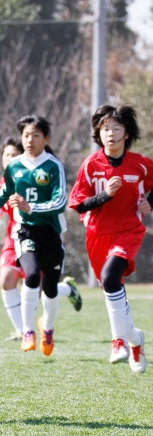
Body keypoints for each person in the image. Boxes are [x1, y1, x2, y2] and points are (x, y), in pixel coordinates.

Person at [69, 105, 153, 373]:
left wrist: (149, 203)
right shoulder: (91, 164)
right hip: (96, 234)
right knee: (111, 287)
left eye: (117, 128)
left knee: (109, 277)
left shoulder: (141, 164)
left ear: (127, 133)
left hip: (128, 231)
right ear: (98, 133)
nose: (111, 133)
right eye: (105, 128)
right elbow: (79, 205)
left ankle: (118, 342)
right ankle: (135, 340)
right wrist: (105, 195)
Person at [0, 138, 82, 341]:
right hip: (14, 236)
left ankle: (66, 289)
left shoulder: (37, 173)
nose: (10, 159)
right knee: (6, 280)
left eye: (14, 155)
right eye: (7, 155)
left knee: (38, 286)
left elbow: (55, 203)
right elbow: (2, 203)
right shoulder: (7, 180)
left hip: (38, 234)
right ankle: (24, 331)